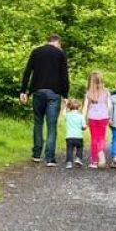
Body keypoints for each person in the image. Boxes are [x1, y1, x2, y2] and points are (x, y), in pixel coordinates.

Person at [20, 34, 69, 167]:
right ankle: (50, 158)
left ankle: (36, 154)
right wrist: (65, 95)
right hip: (54, 94)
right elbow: (64, 75)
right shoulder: (60, 54)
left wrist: (23, 91)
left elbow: (27, 72)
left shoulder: (36, 52)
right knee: (51, 125)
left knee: (38, 123)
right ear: (58, 42)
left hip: (38, 92)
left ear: (47, 41)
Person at [82, 71, 111, 169]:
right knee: (101, 137)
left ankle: (94, 161)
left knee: (94, 138)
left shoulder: (88, 94)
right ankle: (101, 153)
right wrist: (110, 117)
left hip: (92, 118)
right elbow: (110, 106)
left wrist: (83, 120)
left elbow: (85, 108)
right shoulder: (106, 92)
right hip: (103, 117)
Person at [63, 99, 85, 169]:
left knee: (69, 149)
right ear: (78, 107)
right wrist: (83, 128)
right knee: (80, 148)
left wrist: (65, 105)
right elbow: (84, 127)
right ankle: (78, 158)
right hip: (79, 137)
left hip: (69, 137)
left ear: (69, 107)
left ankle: (69, 163)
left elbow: (63, 113)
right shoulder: (81, 116)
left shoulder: (68, 115)